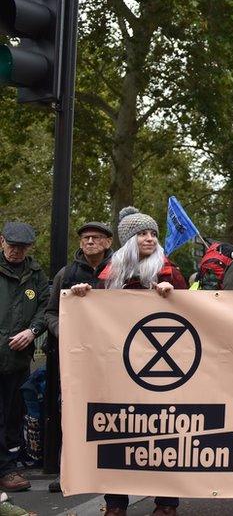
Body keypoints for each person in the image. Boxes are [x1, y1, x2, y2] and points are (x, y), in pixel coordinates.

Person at [70, 208, 186, 516]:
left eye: (153, 234)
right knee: (118, 433)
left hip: (161, 369)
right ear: (129, 240)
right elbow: (96, 312)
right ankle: (115, 503)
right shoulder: (110, 274)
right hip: (120, 366)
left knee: (164, 431)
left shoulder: (168, 270)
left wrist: (172, 294)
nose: (149, 238)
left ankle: (166, 503)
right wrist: (84, 294)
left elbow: (190, 310)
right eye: (143, 234)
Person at [43, 221, 114, 493]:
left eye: (96, 237)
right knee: (72, 413)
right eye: (85, 237)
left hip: (111, 355)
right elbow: (50, 312)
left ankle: (107, 469)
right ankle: (70, 473)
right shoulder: (66, 273)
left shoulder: (120, 270)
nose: (90, 242)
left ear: (108, 242)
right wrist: (65, 331)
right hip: (77, 358)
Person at [0, 222, 48, 494]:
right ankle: (6, 469)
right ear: (1, 241)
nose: (17, 251)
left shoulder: (36, 274)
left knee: (14, 413)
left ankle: (10, 464)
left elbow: (45, 306)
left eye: (23, 247)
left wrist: (33, 332)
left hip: (18, 358)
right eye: (12, 245)